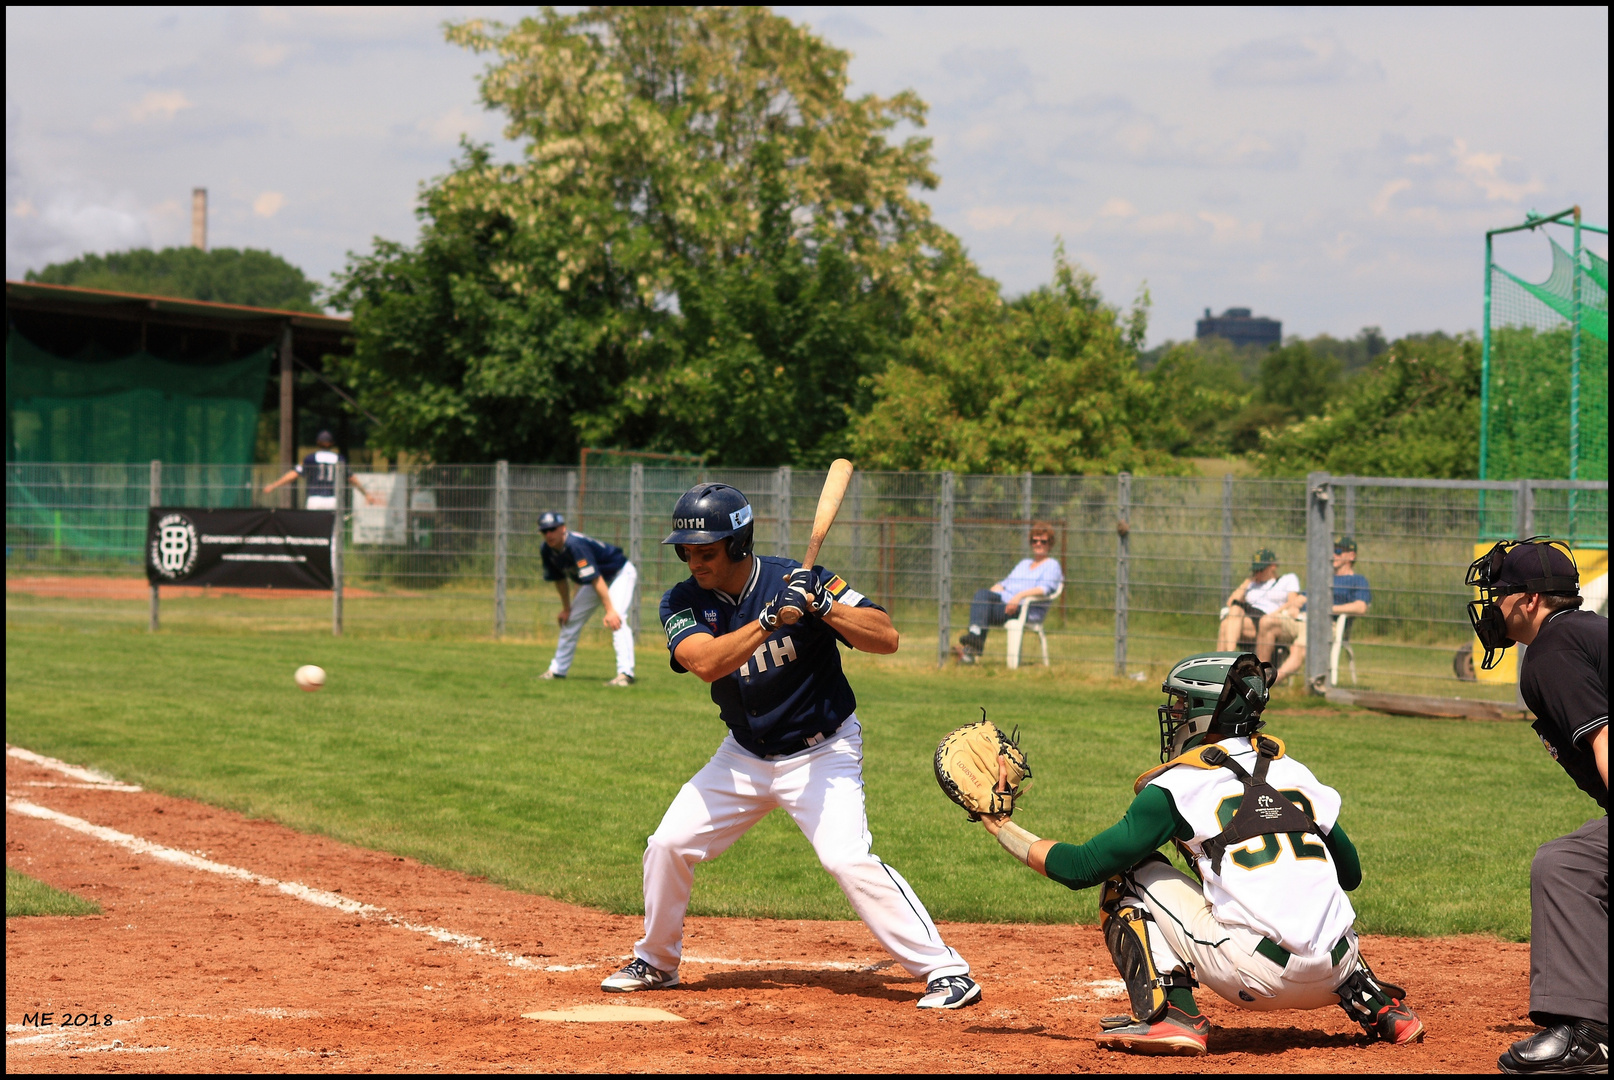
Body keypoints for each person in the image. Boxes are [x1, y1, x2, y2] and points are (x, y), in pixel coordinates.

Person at [599, 483, 980, 1010]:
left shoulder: (803, 581)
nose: (694, 562)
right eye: (686, 551)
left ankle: (946, 970)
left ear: (738, 544)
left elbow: (886, 636)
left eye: (706, 551)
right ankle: (657, 962)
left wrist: (825, 606)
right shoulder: (682, 600)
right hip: (743, 755)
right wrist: (768, 621)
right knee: (668, 844)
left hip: (823, 750)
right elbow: (706, 662)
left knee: (846, 859)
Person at [976, 652, 1424, 1057]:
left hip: (1257, 978)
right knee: (1305, 884)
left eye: (1180, 706)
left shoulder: (1179, 784)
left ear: (1203, 713)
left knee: (1126, 875)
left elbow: (1081, 867)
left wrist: (1000, 825)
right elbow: (1350, 875)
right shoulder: (1295, 771)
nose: (1174, 716)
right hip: (1337, 968)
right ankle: (1380, 1006)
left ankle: (1173, 1015)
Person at [1466, 539, 1607, 1074]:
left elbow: (1605, 738)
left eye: (1497, 594)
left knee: (1567, 866)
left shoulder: (1552, 649)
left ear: (1528, 600)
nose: (1490, 607)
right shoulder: (1590, 632)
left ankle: (1590, 1036)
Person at [537, 511, 637, 687]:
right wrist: (566, 609)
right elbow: (560, 580)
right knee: (571, 620)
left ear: (563, 528)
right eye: (545, 531)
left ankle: (625, 673)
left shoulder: (575, 545)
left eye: (552, 529)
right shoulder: (547, 550)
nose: (549, 534)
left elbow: (595, 578)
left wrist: (610, 610)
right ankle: (558, 670)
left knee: (617, 619)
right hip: (597, 580)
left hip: (619, 574)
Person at [955, 521, 1064, 664]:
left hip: (1023, 608)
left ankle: (969, 651)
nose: (1038, 544)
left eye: (1043, 541)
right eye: (1034, 541)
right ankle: (974, 639)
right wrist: (995, 588)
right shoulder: (1024, 564)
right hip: (1005, 604)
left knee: (983, 607)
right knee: (982, 596)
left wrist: (1018, 597)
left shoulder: (1052, 565)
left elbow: (1044, 589)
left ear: (1050, 544)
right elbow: (1005, 583)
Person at [1270, 537, 1372, 685]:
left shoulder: (1358, 580)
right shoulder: (1322, 578)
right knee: (1267, 622)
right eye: (1331, 552)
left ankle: (1271, 682)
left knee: (1300, 645)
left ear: (1351, 556)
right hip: (1301, 619)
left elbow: (1361, 607)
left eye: (1338, 552)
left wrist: (1327, 610)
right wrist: (1293, 607)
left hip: (1325, 624)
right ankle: (1258, 675)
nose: (1333, 556)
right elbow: (1300, 599)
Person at [261, 430, 378, 509]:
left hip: (314, 498)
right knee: (332, 531)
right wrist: (366, 493)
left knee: (314, 529)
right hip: (332, 499)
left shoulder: (311, 458)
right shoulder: (339, 458)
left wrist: (273, 485)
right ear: (332, 443)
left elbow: (294, 474)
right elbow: (352, 478)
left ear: (318, 443)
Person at [1217, 549, 1299, 652]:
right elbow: (1231, 602)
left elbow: (1293, 602)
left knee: (1226, 625)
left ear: (1272, 566)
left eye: (1261, 570)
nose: (1258, 573)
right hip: (1248, 614)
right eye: (1255, 570)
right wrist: (1248, 580)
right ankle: (1227, 657)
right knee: (1233, 611)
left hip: (1267, 617)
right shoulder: (1251, 584)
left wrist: (1273, 615)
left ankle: (1226, 660)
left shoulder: (1287, 579)